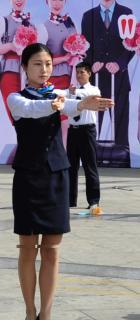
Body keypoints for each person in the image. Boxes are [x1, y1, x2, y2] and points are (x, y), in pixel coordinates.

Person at [7, 43, 111, 320]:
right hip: (28, 177)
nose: (44, 70)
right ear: (25, 68)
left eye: (49, 64)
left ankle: (47, 314)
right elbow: (33, 109)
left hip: (56, 175)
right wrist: (57, 103)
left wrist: (81, 104)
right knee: (28, 248)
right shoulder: (17, 98)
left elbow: (67, 105)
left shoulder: (59, 95)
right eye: (38, 64)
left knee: (52, 250)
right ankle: (30, 312)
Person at [81, 0, 133, 148]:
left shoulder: (126, 13)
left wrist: (119, 63)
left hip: (119, 80)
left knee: (120, 129)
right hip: (96, 80)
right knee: (92, 127)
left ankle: (122, 163)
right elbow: (84, 47)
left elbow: (131, 46)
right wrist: (90, 63)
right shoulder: (88, 16)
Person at [66, 62, 102, 210]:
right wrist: (69, 93)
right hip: (73, 130)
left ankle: (93, 201)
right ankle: (69, 200)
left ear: (89, 74)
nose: (79, 75)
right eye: (77, 72)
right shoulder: (71, 91)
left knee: (89, 166)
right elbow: (65, 105)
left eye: (82, 72)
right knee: (70, 167)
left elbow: (91, 98)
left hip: (87, 131)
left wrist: (74, 93)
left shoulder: (94, 89)